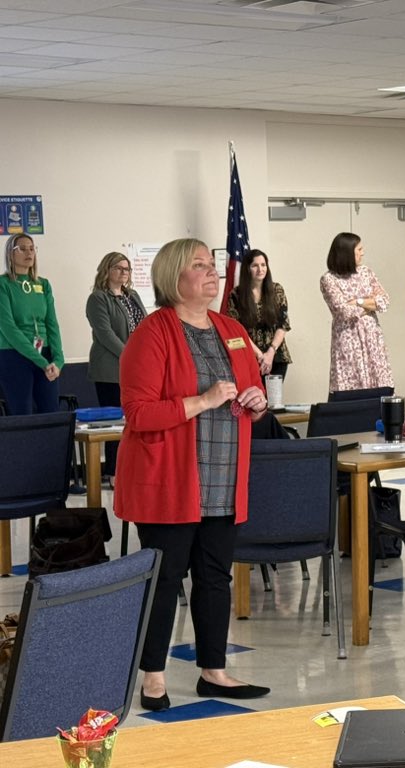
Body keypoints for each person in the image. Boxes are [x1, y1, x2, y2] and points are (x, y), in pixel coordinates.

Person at [115, 238, 270, 712]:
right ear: (173, 277)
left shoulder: (231, 329)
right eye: (199, 265)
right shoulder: (152, 333)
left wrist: (257, 402)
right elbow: (139, 413)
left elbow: (253, 389)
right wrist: (202, 401)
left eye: (212, 264)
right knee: (165, 579)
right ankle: (153, 677)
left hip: (223, 479)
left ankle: (213, 671)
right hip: (171, 482)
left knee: (215, 577)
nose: (212, 272)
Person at [85, 251, 146, 482]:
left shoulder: (132, 296)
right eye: (118, 268)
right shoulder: (98, 298)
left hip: (136, 368)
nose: (124, 272)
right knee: (115, 423)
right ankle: (112, 471)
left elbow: (145, 325)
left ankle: (133, 468)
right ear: (107, 270)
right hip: (110, 370)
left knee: (134, 420)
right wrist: (131, 357)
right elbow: (105, 334)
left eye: (126, 268)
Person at [320, 232, 393, 393]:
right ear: (346, 253)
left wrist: (358, 301)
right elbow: (344, 311)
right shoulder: (329, 279)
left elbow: (384, 300)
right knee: (352, 384)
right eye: (359, 249)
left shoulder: (366, 272)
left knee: (377, 384)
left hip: (372, 338)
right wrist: (370, 303)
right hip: (348, 339)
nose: (363, 253)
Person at [0, 234, 63, 414]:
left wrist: (58, 360)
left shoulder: (43, 284)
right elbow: (8, 328)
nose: (29, 253)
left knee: (51, 412)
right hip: (14, 354)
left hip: (45, 354)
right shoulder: (3, 284)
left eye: (32, 248)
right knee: (23, 413)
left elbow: (52, 324)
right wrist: (41, 361)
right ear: (10, 254)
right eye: (22, 248)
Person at [226, 248, 292, 381]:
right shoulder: (236, 295)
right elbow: (237, 330)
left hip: (276, 357)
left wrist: (270, 352)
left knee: (273, 394)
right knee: (254, 394)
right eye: (255, 265)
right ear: (247, 268)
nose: (260, 269)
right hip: (249, 357)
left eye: (263, 265)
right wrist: (260, 355)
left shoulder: (277, 290)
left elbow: (283, 325)